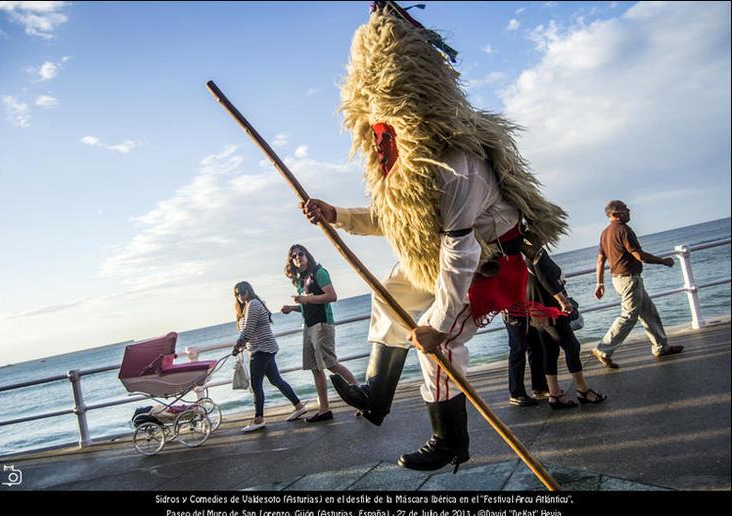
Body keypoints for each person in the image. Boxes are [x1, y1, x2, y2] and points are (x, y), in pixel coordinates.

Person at [298, 2, 568, 472]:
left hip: (487, 264)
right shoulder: (411, 162)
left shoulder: (457, 166)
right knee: (390, 291)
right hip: (448, 255)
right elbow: (396, 217)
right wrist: (335, 214)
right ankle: (377, 394)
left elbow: (458, 251)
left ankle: (450, 441)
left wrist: (439, 321)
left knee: (439, 346)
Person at [593, 200, 684, 369]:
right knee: (628, 315)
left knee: (649, 312)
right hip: (628, 279)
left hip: (620, 279)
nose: (628, 211)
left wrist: (599, 283)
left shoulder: (605, 233)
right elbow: (639, 256)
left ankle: (661, 347)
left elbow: (600, 260)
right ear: (614, 214)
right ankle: (603, 349)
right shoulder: (623, 230)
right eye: (624, 209)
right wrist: (663, 261)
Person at [521, 243, 606, 408]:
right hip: (550, 309)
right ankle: (583, 390)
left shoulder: (524, 255)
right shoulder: (534, 252)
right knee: (572, 347)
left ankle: (554, 394)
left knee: (550, 351)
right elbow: (546, 280)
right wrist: (564, 302)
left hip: (535, 309)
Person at [281, 244, 359, 422]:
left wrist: (306, 299)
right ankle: (324, 410)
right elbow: (307, 305)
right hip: (308, 326)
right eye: (293, 256)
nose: (297, 257)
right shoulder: (301, 280)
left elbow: (332, 296)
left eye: (300, 254)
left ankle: (362, 394)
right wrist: (293, 308)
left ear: (307, 255)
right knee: (315, 369)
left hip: (322, 324)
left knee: (331, 364)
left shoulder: (319, 272)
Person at [231, 281, 307, 432]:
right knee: (276, 380)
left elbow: (248, 329)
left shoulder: (253, 304)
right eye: (237, 293)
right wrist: (242, 344)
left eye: (242, 291)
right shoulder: (248, 306)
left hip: (261, 350)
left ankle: (259, 419)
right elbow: (247, 329)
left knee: (256, 385)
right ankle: (299, 406)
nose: (240, 295)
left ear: (248, 290)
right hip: (264, 348)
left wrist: (238, 345)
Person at [504, 313, 549, 406]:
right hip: (513, 310)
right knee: (518, 348)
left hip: (526, 308)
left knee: (536, 345)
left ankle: (540, 387)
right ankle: (516, 393)